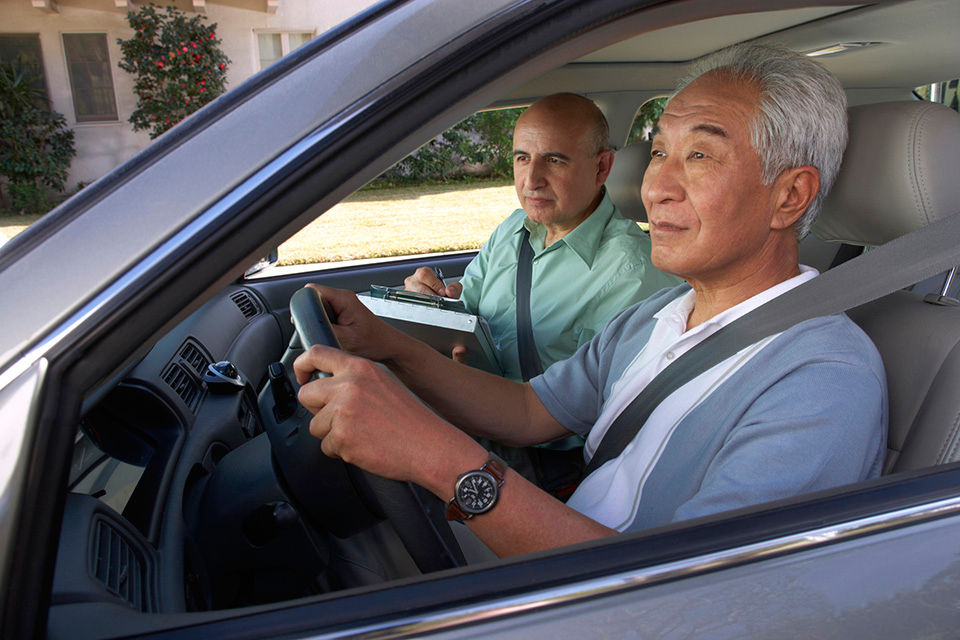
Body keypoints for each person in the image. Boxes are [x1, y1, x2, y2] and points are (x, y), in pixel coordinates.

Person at [294, 44, 887, 559]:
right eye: (659, 152)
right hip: (559, 550)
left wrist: (432, 455)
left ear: (790, 196)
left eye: (700, 156)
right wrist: (385, 343)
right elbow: (529, 411)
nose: (655, 186)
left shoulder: (823, 374)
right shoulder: (658, 315)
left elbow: (690, 595)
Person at [404, 93, 680, 382]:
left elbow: (610, 407)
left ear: (602, 168)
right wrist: (426, 303)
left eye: (554, 160)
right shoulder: (513, 230)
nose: (531, 180)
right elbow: (464, 310)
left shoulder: (636, 272)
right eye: (523, 158)